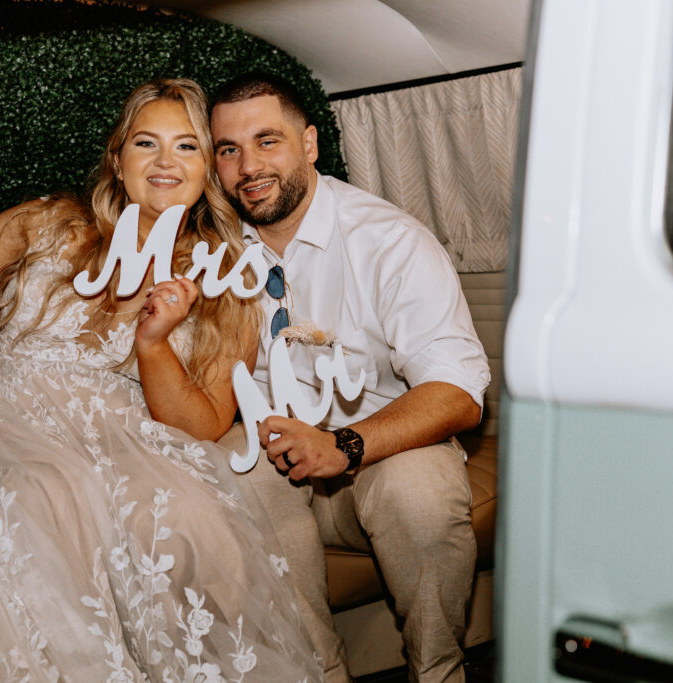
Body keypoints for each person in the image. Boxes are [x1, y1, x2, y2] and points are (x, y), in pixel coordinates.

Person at [0, 78, 322, 681]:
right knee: (47, 492)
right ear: (118, 161)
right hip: (0, 431)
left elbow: (201, 425)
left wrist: (154, 343)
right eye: (147, 143)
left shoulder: (224, 282)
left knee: (193, 520)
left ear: (209, 174)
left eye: (189, 146)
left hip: (122, 447)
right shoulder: (41, 227)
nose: (166, 162)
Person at [209, 73, 491, 683]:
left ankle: (439, 671)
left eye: (267, 141)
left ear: (309, 144)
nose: (248, 167)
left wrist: (345, 445)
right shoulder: (214, 251)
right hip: (279, 466)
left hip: (381, 452)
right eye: (228, 150)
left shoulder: (388, 242)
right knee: (235, 462)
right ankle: (319, 671)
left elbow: (459, 390)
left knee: (416, 492)